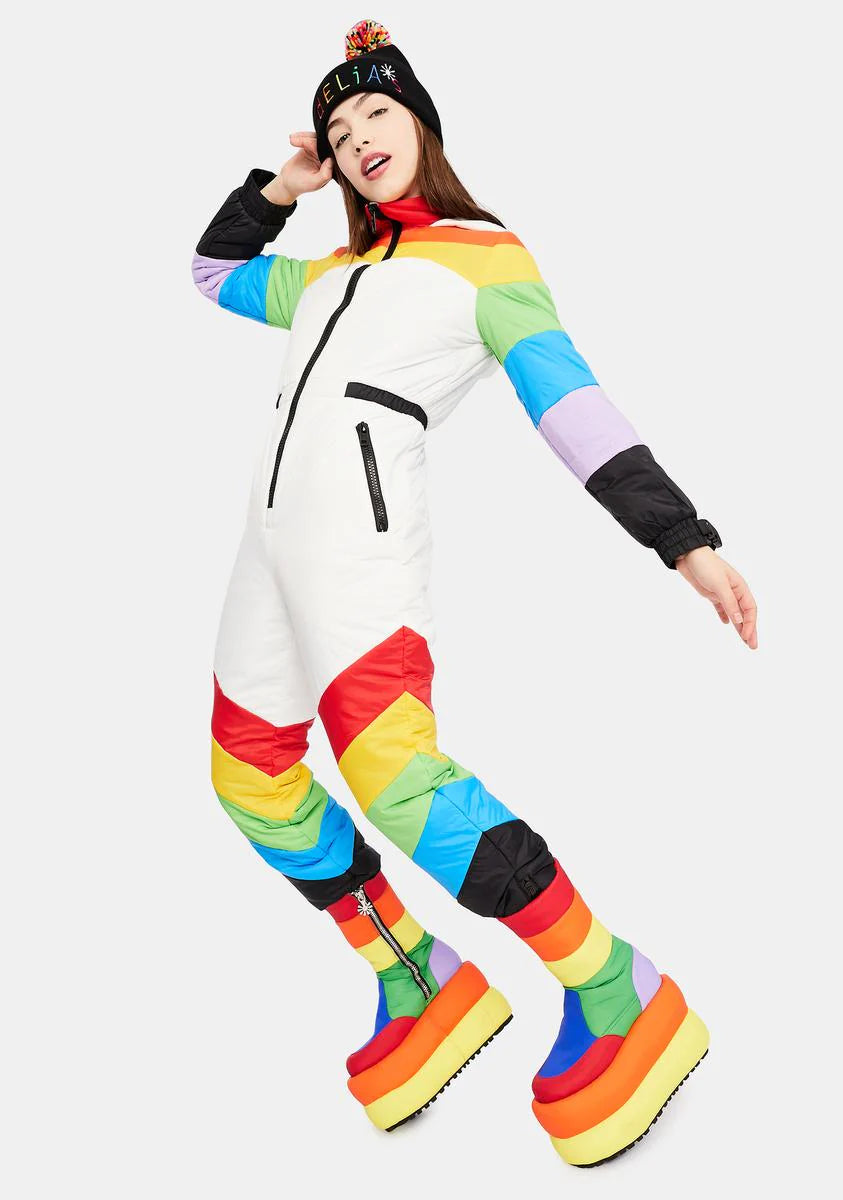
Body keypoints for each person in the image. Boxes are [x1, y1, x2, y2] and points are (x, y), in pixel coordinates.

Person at [191, 18, 757, 1167]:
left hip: (357, 554)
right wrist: (280, 187)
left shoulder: (484, 258)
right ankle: (419, 979)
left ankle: (615, 989)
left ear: (422, 124)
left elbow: (572, 405)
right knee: (247, 777)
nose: (358, 139)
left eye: (377, 113)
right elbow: (212, 272)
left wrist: (682, 538)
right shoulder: (327, 277)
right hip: (265, 563)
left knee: (397, 780)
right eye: (339, 130)